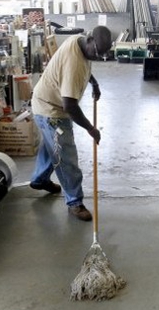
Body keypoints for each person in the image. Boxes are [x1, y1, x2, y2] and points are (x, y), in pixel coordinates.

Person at [29, 26, 112, 221]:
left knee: (53, 146)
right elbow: (70, 107)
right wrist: (91, 129)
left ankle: (39, 180)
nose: (98, 57)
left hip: (46, 102)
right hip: (51, 111)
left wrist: (94, 82)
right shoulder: (74, 62)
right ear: (90, 39)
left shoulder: (80, 41)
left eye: (103, 54)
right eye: (97, 52)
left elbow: (86, 66)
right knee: (66, 156)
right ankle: (75, 202)